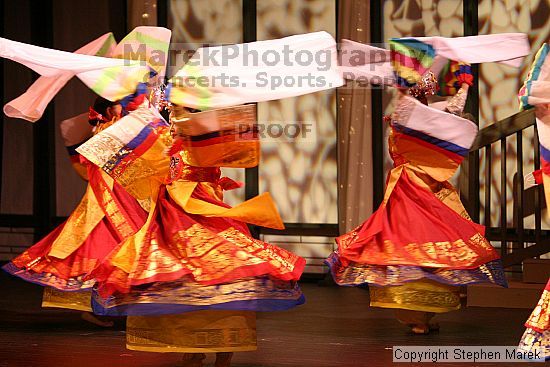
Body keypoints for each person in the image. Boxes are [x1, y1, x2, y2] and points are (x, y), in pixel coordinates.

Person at [77, 101, 305, 367]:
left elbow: (221, 157)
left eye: (177, 113)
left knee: (224, 268)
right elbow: (128, 158)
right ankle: (190, 345)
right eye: (170, 113)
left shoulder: (202, 140)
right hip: (171, 215)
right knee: (174, 275)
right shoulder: (166, 139)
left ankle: (223, 348)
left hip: (200, 209)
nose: (171, 118)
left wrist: (186, 125)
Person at [3, 96, 148, 327]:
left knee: (125, 253)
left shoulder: (116, 127)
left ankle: (117, 311)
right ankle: (107, 311)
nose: (130, 107)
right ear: (111, 109)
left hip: (127, 198)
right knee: (110, 251)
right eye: (124, 104)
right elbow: (85, 155)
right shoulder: (108, 130)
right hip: (109, 200)